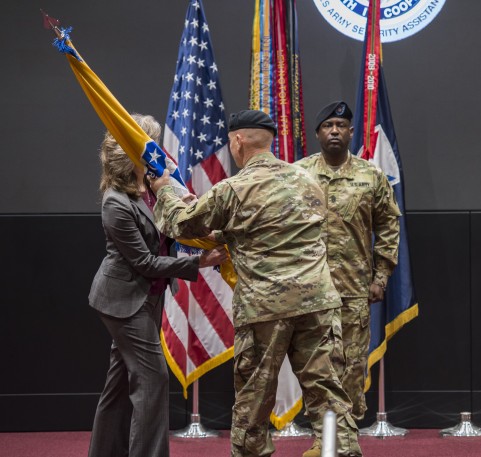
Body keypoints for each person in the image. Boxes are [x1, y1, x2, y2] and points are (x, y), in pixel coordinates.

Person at [150, 109, 362, 457]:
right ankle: (338, 452)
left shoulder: (234, 188)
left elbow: (184, 225)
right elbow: (282, 229)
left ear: (237, 141)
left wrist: (163, 190)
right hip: (319, 304)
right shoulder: (309, 180)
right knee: (327, 392)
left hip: (266, 308)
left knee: (255, 398)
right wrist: (230, 232)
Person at [87, 114, 226, 457]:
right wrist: (199, 262)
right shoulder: (115, 203)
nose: (157, 151)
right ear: (132, 153)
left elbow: (173, 224)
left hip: (147, 298)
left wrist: (188, 207)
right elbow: (146, 264)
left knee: (119, 386)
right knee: (153, 381)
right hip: (123, 302)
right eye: (148, 144)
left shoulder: (153, 186)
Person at [296, 101, 401, 457]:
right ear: (318, 133)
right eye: (328, 126)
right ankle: (321, 440)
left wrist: (381, 276)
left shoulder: (370, 176)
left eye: (341, 125)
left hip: (355, 294)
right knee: (316, 370)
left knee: (352, 372)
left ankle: (346, 440)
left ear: (352, 132)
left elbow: (389, 225)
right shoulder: (299, 174)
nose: (335, 131)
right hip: (310, 294)